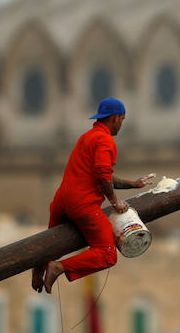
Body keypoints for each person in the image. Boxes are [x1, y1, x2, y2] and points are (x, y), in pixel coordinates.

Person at [31, 97, 153, 293]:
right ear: (115, 118)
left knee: (49, 244)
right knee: (108, 254)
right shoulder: (105, 140)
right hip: (82, 204)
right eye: (122, 120)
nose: (121, 125)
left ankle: (39, 269)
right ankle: (58, 267)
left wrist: (133, 184)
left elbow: (102, 176)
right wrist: (115, 202)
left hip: (61, 201)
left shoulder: (87, 137)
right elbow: (103, 176)